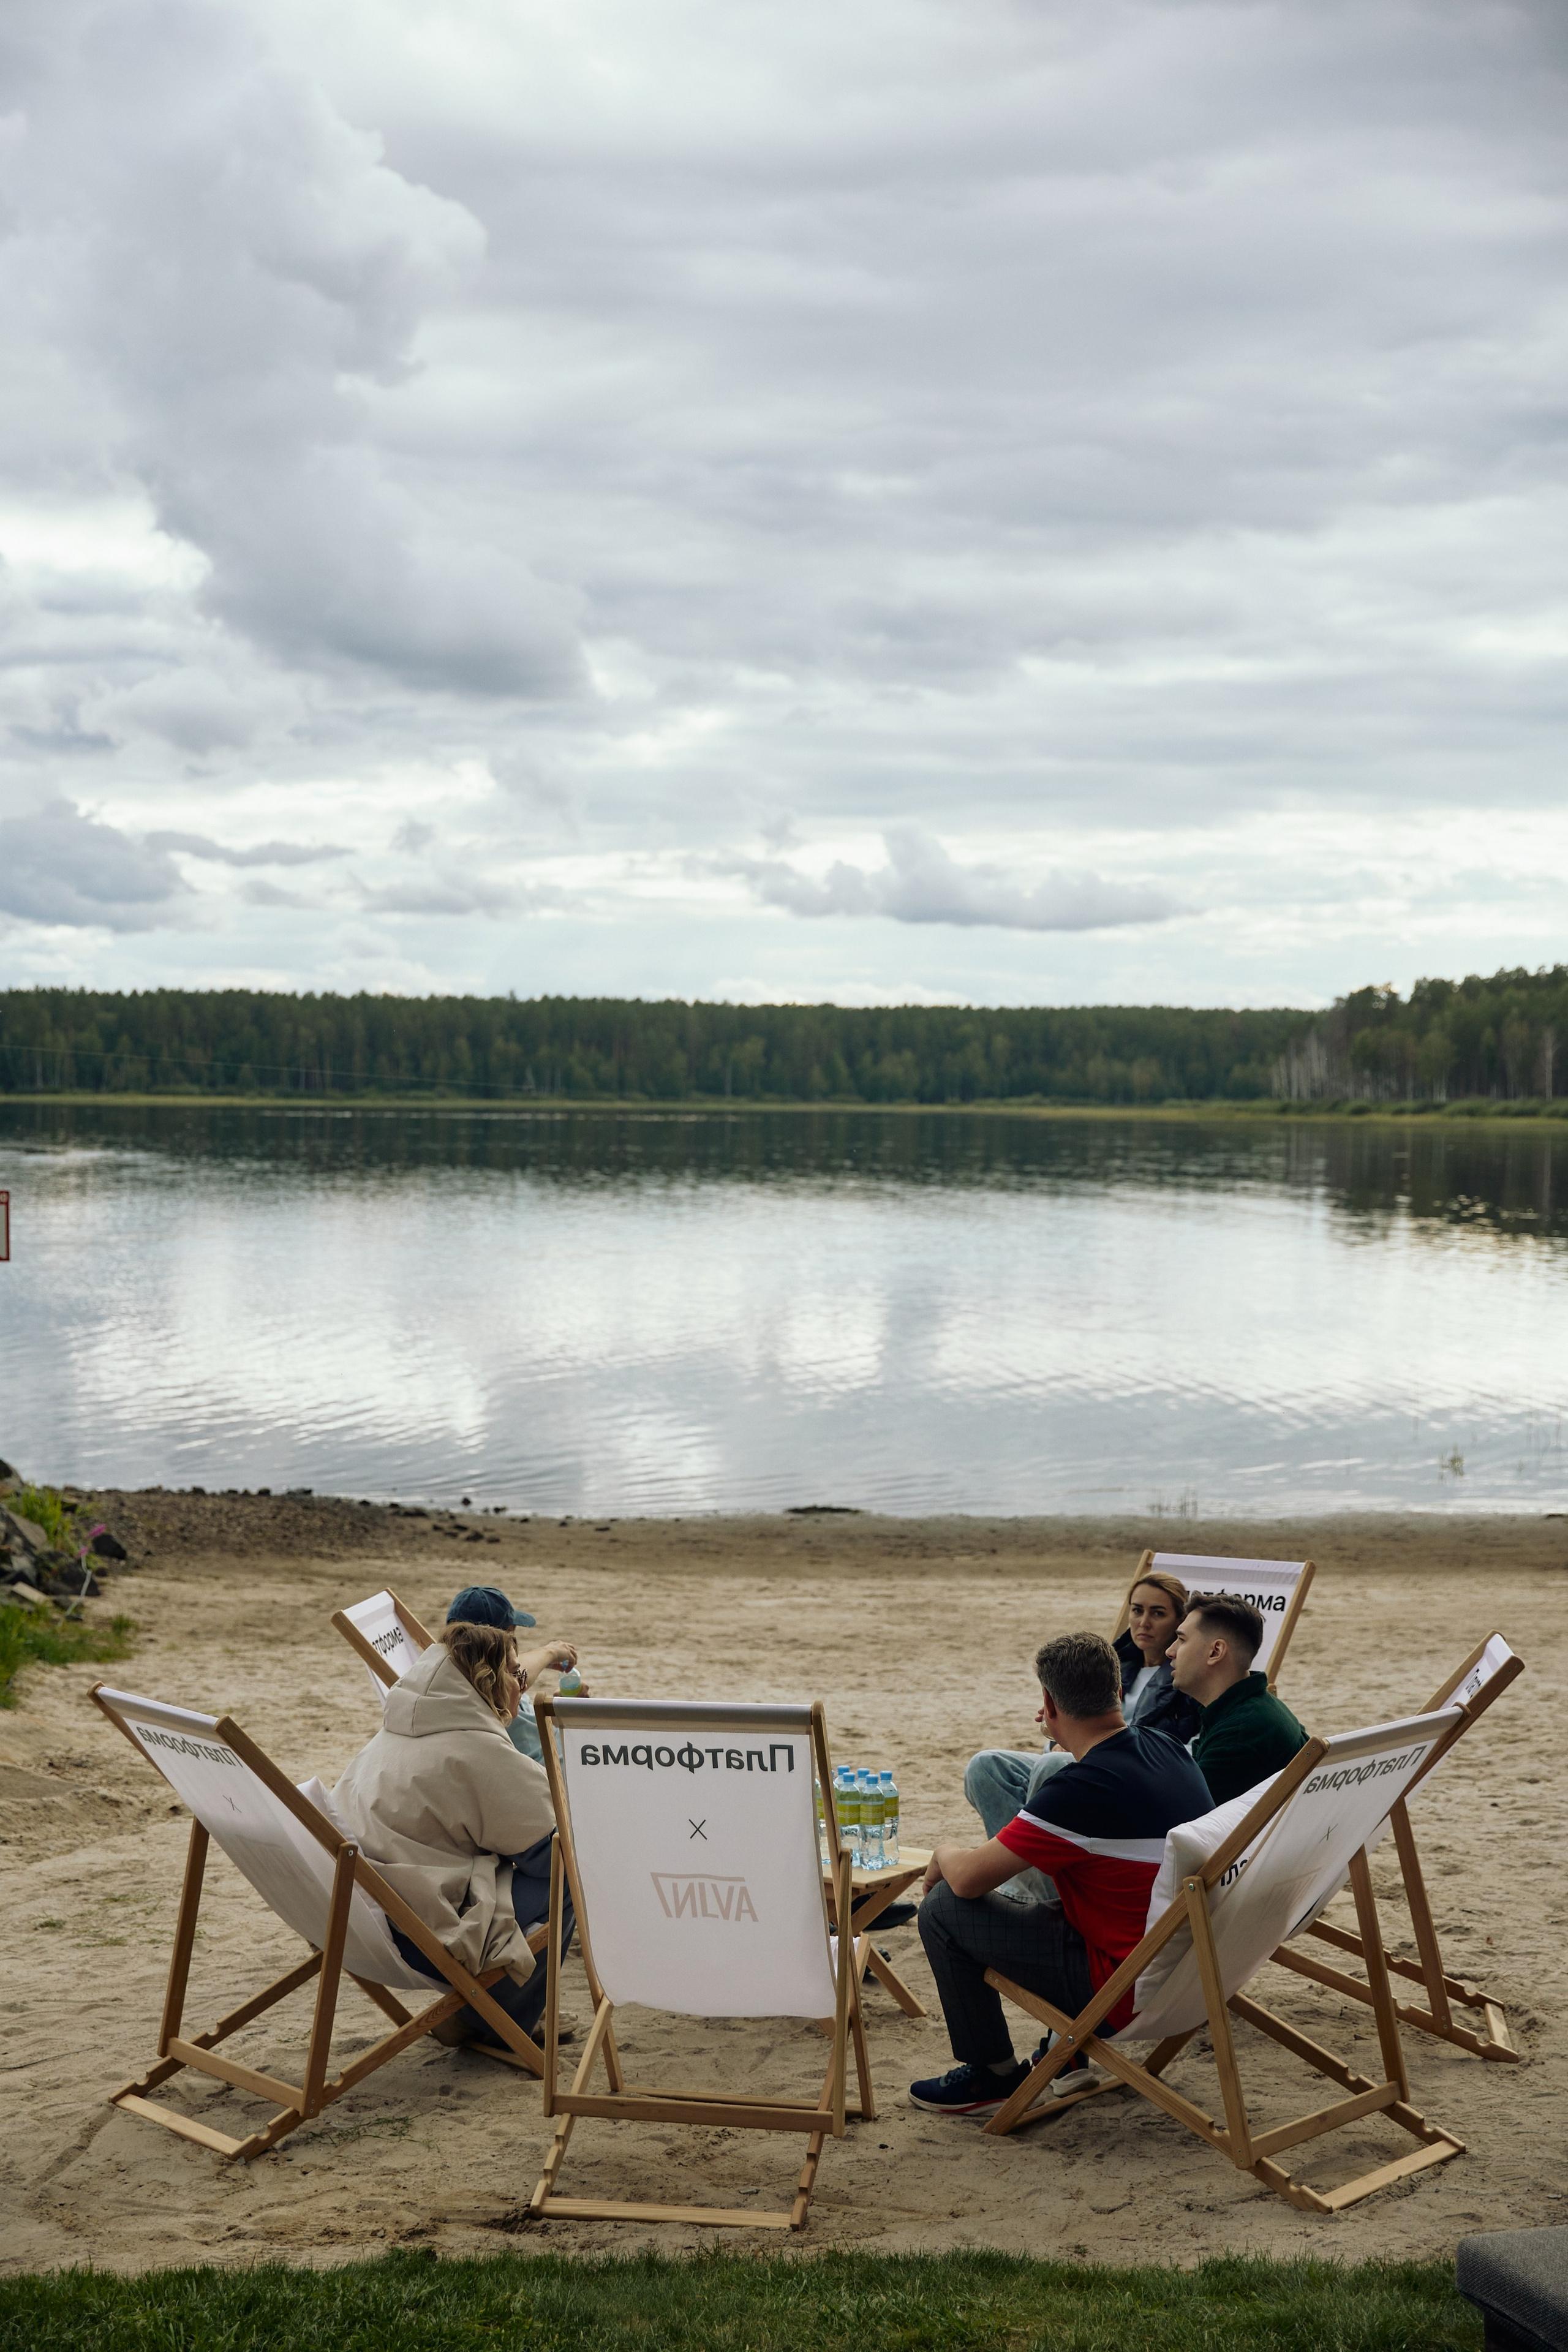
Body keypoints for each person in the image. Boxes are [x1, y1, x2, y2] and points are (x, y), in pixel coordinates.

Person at [909, 1630, 1213, 2116]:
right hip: (1194, 1975)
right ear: (1117, 1694)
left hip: (1122, 1989)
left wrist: (944, 1850)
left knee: (945, 1908)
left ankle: (992, 2076)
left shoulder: (1080, 1791)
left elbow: (966, 1879)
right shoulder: (1167, 1749)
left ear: (1048, 1703)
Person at [333, 1616, 575, 2049]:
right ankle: (495, 2024)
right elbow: (551, 1850)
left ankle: (476, 2011)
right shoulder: (475, 1748)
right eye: (515, 1673)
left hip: (356, 1917)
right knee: (572, 1875)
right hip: (422, 1930)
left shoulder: (398, 1727)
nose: (521, 1682)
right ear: (487, 1679)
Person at [1169, 1593, 1309, 1806]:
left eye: (1182, 1639)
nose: (1170, 1651)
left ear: (1216, 1652)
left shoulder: (1242, 1730)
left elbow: (1182, 1812)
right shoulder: (1248, 1707)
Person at [445, 1584, 582, 1763]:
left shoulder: (451, 1682)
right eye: (510, 1638)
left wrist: (561, 1713)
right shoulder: (485, 1691)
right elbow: (499, 1680)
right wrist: (549, 1652)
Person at [1114, 1569, 1202, 1744]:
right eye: (1137, 1611)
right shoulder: (1109, 1667)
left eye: (1158, 1613)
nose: (1144, 1623)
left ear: (1181, 1621)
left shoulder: (1192, 1681)